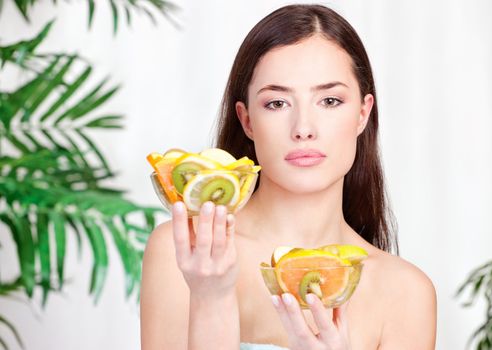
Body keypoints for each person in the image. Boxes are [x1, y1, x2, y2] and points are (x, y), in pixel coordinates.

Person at [140, 4, 437, 350]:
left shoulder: (406, 293)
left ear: (362, 113)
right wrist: (211, 298)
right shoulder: (189, 254)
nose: (303, 129)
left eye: (329, 100)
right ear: (247, 119)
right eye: (277, 104)